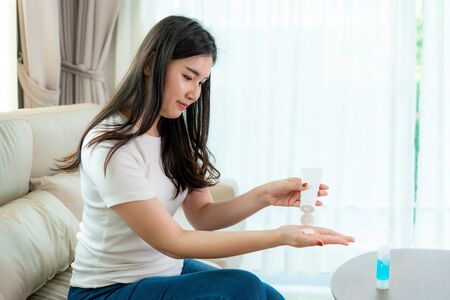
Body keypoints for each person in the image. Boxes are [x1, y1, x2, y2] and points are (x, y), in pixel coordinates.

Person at [59, 15, 354, 300]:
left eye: (201, 82)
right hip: (107, 290)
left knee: (269, 295)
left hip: (163, 273)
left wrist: (265, 195)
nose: (194, 93)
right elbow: (174, 242)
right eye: (188, 77)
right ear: (150, 64)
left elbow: (202, 217)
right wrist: (279, 236)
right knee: (242, 287)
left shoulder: (173, 133)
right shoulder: (111, 146)